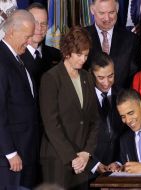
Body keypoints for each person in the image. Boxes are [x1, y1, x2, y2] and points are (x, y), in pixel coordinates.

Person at [39, 26, 99, 190]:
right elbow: (51, 124)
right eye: (79, 55)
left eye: (86, 55)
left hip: (82, 159)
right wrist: (72, 157)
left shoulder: (87, 77)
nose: (83, 59)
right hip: (58, 159)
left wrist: (86, 153)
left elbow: (95, 119)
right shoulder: (51, 78)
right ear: (67, 52)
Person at [0, 10, 40, 189]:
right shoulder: (1, 61)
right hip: (11, 160)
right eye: (27, 36)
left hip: (26, 153)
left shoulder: (18, 58)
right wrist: (10, 152)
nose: (30, 41)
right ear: (11, 32)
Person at [85, 0, 141, 88]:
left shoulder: (131, 39)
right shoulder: (81, 37)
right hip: (89, 100)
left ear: (117, 10)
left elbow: (135, 76)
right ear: (92, 10)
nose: (107, 18)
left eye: (111, 12)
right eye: (102, 13)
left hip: (121, 100)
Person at [89, 52, 126, 176]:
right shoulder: (83, 97)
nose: (106, 82)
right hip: (89, 169)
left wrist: (119, 161)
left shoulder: (123, 95)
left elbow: (128, 133)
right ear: (91, 74)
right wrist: (94, 164)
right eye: (100, 77)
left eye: (110, 76)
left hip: (118, 168)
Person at [20, 2, 61, 88]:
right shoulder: (14, 55)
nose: (39, 28)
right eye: (35, 23)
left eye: (43, 23)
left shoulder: (57, 54)